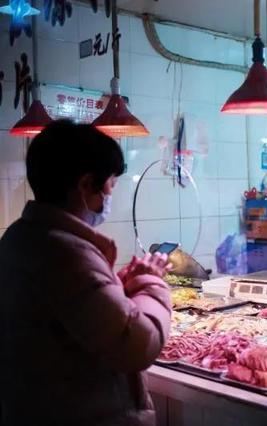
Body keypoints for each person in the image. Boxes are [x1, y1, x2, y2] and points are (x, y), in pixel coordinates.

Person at [0, 120, 172, 425]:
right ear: (85, 185)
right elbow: (135, 345)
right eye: (110, 186)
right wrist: (150, 281)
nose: (109, 197)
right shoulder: (65, 253)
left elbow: (68, 314)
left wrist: (117, 288)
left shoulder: (18, 237)